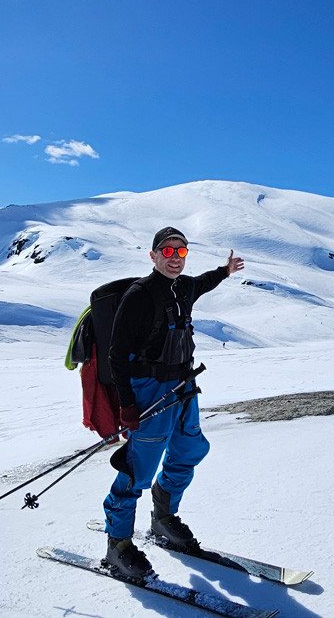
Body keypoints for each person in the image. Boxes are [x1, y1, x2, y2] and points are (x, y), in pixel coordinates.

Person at [102, 226, 244, 580]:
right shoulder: (139, 295)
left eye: (181, 252)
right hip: (150, 389)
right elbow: (116, 355)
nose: (175, 258)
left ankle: (163, 517)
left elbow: (205, 282)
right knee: (139, 469)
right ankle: (118, 544)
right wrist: (126, 404)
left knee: (190, 449)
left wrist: (225, 272)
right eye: (167, 252)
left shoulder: (184, 287)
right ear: (153, 256)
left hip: (184, 385)